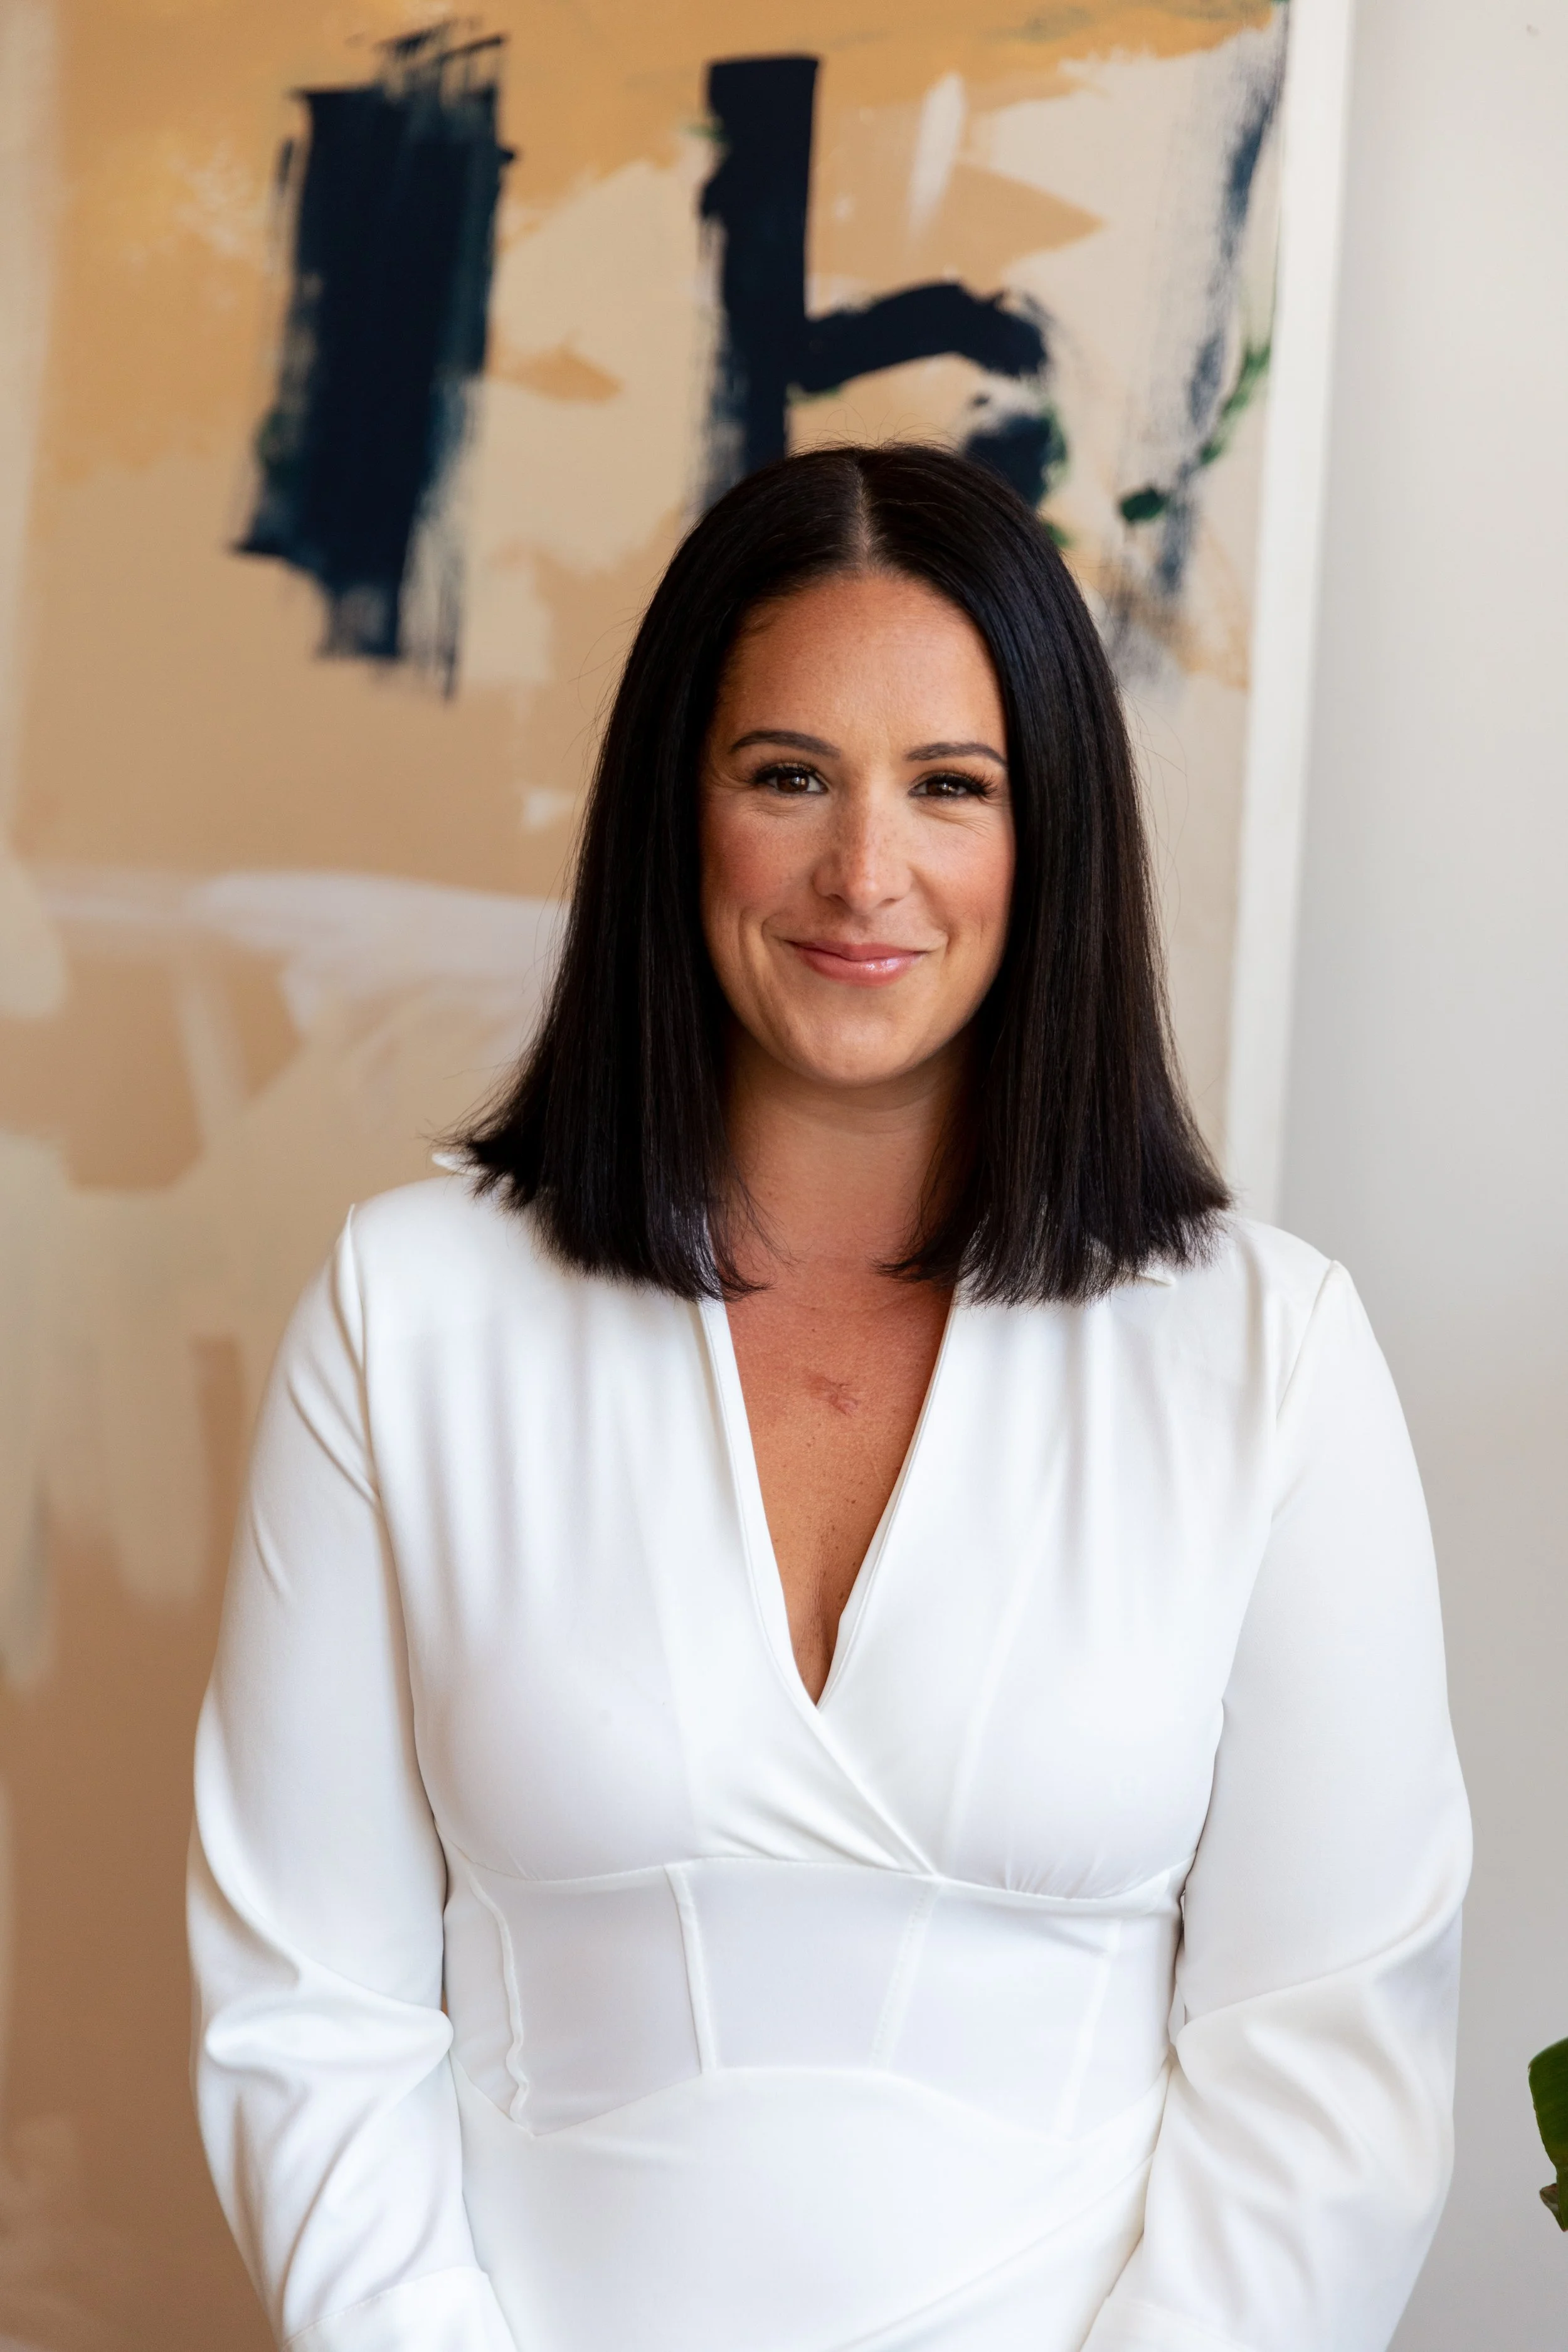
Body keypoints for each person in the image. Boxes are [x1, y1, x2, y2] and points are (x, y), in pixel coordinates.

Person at [188, 444, 1471, 2352]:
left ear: (1047, 843)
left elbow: (1326, 2070)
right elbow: (307, 2010)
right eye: (786, 775)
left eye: (949, 787)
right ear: (673, 812)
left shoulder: (1270, 1356)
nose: (863, 872)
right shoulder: (409, 1314)